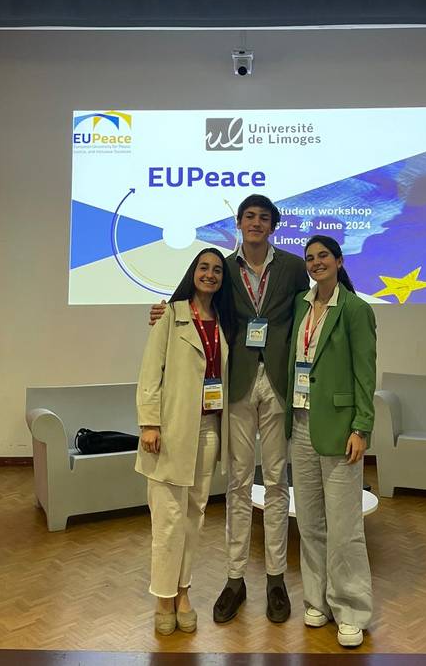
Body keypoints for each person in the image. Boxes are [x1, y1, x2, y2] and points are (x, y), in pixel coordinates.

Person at [150, 194, 309, 623]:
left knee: (276, 482)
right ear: (239, 223)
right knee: (238, 483)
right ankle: (235, 579)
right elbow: (198, 301)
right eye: (249, 217)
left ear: (273, 225)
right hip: (234, 384)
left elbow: (309, 313)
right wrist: (163, 310)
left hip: (277, 383)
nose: (256, 223)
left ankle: (275, 579)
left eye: (264, 218)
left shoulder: (294, 268)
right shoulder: (222, 266)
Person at [136, 247, 236, 635]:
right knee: (167, 518)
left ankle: (182, 592)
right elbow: (150, 373)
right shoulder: (170, 315)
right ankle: (162, 597)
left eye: (217, 270)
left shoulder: (225, 321)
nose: (209, 274)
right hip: (171, 430)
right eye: (203, 268)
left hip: (209, 430)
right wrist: (149, 423)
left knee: (194, 516)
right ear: (192, 272)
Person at [286, 235, 376, 648]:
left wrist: (362, 428)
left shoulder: (355, 310)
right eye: (310, 258)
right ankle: (317, 600)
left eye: (323, 256)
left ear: (338, 261)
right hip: (301, 425)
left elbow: (365, 374)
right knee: (310, 523)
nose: (316, 262)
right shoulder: (301, 305)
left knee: (345, 528)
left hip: (341, 430)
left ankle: (351, 609)